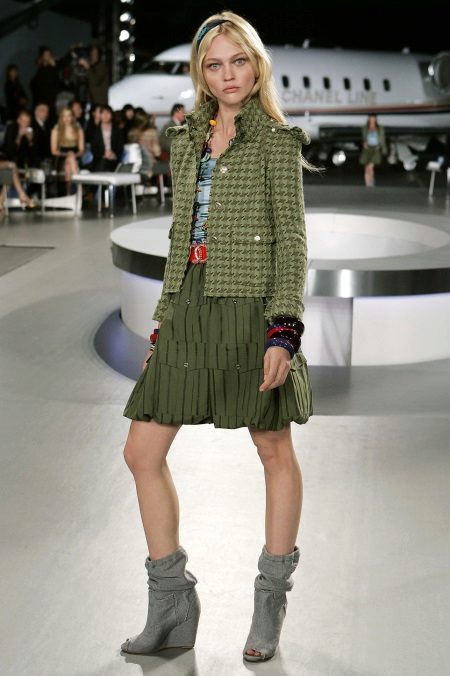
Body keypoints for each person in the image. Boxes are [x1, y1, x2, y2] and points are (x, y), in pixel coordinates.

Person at [120, 10, 315, 664]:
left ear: (255, 66)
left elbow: (292, 243)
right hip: (190, 305)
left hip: (253, 308)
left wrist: (283, 330)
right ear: (201, 74)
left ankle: (270, 599)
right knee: (141, 451)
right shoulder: (186, 140)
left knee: (272, 447)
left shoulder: (277, 142)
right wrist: (164, 321)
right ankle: (172, 603)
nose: (228, 74)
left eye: (238, 61)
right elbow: (181, 237)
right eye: (214, 64)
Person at [50, 106, 85, 194]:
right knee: (70, 161)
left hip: (75, 157)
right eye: (64, 116)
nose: (66, 118)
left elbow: (81, 150)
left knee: (69, 165)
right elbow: (53, 151)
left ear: (72, 117)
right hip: (61, 157)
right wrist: (67, 155)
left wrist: (74, 155)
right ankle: (79, 186)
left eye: (69, 116)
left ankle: (68, 193)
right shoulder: (56, 130)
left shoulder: (79, 130)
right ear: (61, 117)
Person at [29, 47, 61, 125]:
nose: (48, 56)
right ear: (42, 56)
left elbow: (56, 82)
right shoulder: (40, 69)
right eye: (46, 55)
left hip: (51, 101)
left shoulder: (52, 68)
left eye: (49, 54)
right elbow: (34, 84)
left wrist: (54, 66)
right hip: (41, 101)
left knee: (50, 121)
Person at [90, 105, 123, 171]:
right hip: (100, 159)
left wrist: (114, 154)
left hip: (114, 158)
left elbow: (120, 146)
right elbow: (94, 148)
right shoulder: (95, 130)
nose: (105, 115)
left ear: (111, 115)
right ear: (100, 115)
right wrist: (104, 154)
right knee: (103, 163)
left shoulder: (117, 130)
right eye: (103, 113)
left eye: (108, 112)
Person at [359, 113, 388, 187]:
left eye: (373, 118)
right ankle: (367, 184)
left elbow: (382, 139)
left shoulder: (380, 128)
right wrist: (364, 143)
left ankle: (371, 182)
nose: (372, 119)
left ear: (375, 119)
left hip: (375, 148)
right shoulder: (365, 127)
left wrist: (382, 147)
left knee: (370, 166)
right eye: (371, 118)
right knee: (366, 167)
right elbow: (364, 137)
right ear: (369, 119)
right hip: (367, 148)